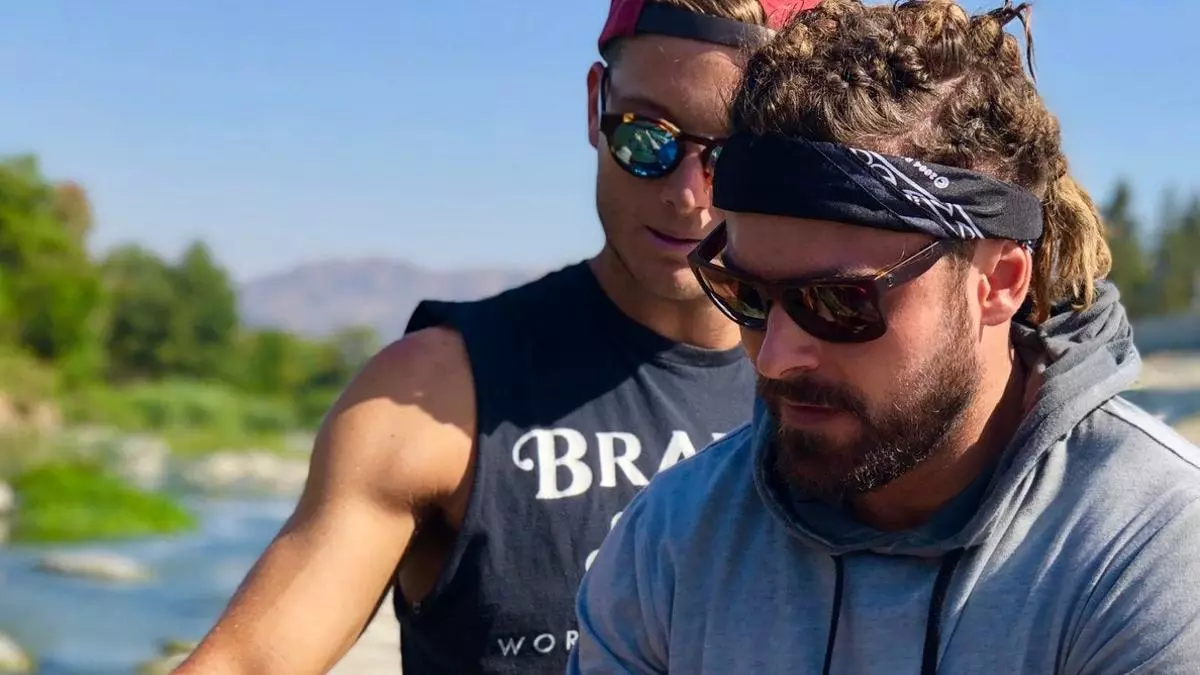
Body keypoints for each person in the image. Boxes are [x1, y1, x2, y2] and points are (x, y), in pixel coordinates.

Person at [171, 2, 821, 675]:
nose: (688, 195)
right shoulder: (435, 396)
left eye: (733, 154)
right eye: (647, 138)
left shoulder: (840, 387)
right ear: (596, 104)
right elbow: (245, 664)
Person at [568, 1, 1200, 673]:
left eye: (838, 303)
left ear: (998, 282)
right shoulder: (670, 541)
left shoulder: (1149, 550)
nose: (776, 358)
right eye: (746, 296)